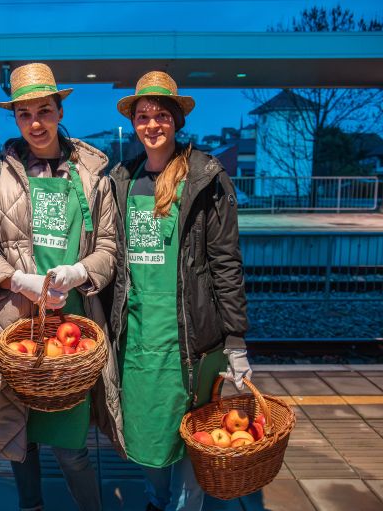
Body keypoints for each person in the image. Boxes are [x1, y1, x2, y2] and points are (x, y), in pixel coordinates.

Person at [0, 62, 122, 511]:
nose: (36, 123)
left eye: (45, 111)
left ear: (59, 110)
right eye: (25, 114)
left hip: (73, 335)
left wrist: (80, 272)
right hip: (13, 328)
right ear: (15, 118)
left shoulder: (93, 178)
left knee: (72, 450)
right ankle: (30, 506)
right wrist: (16, 278)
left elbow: (109, 246)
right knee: (21, 440)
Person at [104, 71, 251, 511]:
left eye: (161, 115)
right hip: (138, 337)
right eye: (144, 116)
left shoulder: (206, 177)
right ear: (134, 123)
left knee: (196, 430)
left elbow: (226, 262)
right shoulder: (122, 179)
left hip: (192, 335)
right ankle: (156, 498)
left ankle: (186, 507)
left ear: (176, 121)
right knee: (147, 429)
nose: (152, 125)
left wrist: (237, 337)